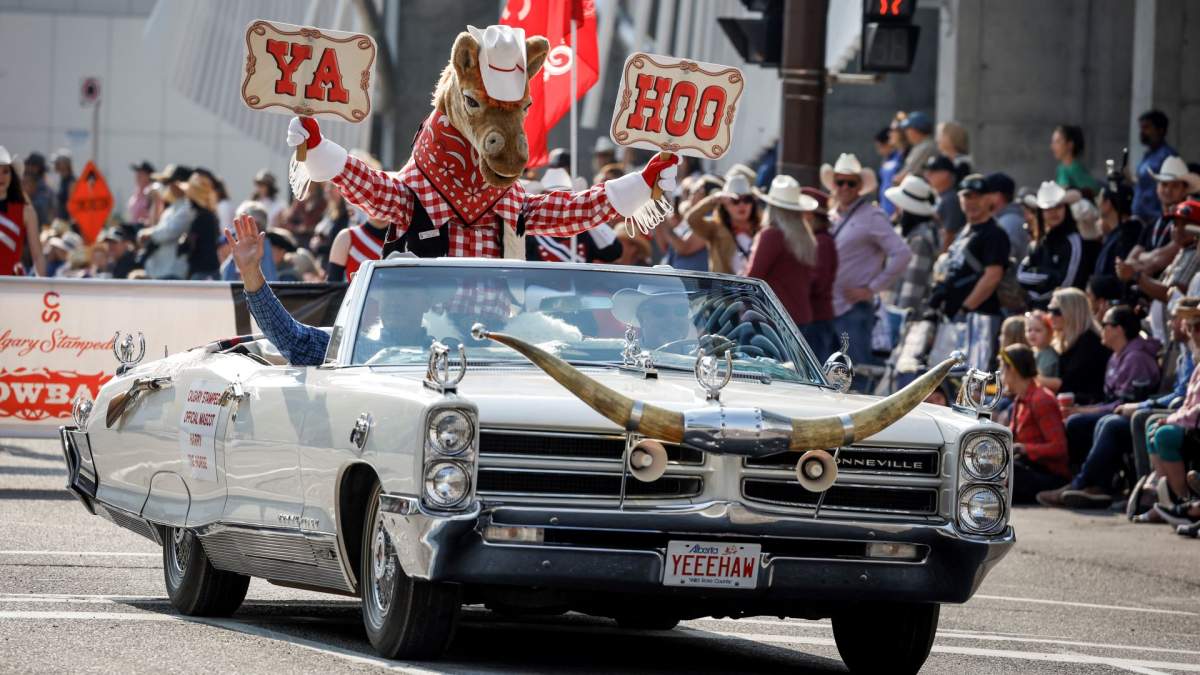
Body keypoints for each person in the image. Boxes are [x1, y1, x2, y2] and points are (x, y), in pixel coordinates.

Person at [823, 153, 912, 378]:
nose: (844, 187)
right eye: (839, 182)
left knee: (855, 376)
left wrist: (871, 289)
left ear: (859, 186)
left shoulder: (872, 216)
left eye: (850, 183)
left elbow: (902, 254)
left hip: (853, 310)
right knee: (826, 376)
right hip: (826, 308)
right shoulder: (831, 215)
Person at [1060, 305, 1161, 472]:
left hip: (1134, 414)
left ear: (1118, 329)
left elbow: (1125, 402)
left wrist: (1084, 411)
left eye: (1105, 323)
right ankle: (1079, 478)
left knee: (1082, 422)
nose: (1101, 327)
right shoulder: (1115, 355)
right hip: (1114, 409)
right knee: (1073, 420)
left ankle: (1088, 482)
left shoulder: (1137, 358)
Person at [928, 174, 1009, 370]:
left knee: (973, 379)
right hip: (955, 320)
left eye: (978, 196)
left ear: (989, 198)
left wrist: (965, 308)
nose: (972, 202)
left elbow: (992, 276)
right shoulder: (964, 231)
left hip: (979, 320)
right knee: (947, 381)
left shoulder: (994, 233)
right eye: (967, 196)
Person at [1117, 198, 1200, 341]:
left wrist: (1137, 276)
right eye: (1175, 224)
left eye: (1186, 225)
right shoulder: (1183, 251)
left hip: (1183, 337)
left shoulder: (1194, 254)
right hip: (1167, 336)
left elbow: (1174, 292)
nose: (1178, 229)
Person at [744, 175, 820, 328]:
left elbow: (752, 277)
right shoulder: (806, 237)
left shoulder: (772, 235)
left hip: (773, 319)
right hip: (800, 316)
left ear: (772, 207)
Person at [1001, 344, 1070, 503]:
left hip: (1050, 476)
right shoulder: (1020, 398)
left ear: (1013, 369)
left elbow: (1059, 448)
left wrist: (1025, 448)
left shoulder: (1041, 399)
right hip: (1029, 467)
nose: (1001, 374)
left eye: (1003, 369)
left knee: (1009, 472)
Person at [1123, 155, 1198, 278]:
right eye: (1164, 184)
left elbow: (1159, 261)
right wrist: (1148, 260)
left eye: (1174, 186)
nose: (1168, 190)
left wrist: (1142, 258)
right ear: (1157, 188)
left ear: (1185, 190)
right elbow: (1129, 261)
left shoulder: (1188, 223)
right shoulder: (1152, 224)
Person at [1016, 181, 1088, 308]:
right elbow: (1021, 275)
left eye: (1059, 207)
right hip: (1037, 310)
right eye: (1048, 209)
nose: (1054, 213)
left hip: (1065, 310)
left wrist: (1040, 277)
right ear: (1041, 213)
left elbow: (1066, 283)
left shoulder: (1073, 240)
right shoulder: (1038, 243)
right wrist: (1048, 277)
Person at [883, 175, 939, 315]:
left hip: (903, 318)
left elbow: (913, 286)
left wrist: (901, 319)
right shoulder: (908, 233)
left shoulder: (920, 240)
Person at [684, 171, 759, 274]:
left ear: (753, 203)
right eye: (735, 200)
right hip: (723, 289)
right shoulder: (715, 228)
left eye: (747, 199)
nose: (742, 205)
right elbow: (692, 219)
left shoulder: (761, 228)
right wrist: (713, 200)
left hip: (754, 289)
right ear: (725, 205)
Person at [1043, 287, 1109, 403]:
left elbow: (1068, 384)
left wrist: (1029, 378)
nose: (1050, 316)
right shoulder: (1068, 339)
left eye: (1056, 311)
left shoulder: (1090, 342)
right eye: (1049, 310)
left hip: (1090, 403)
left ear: (1072, 312)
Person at [799, 187, 838, 360]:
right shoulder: (818, 240)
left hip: (817, 318)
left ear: (810, 215)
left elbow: (817, 283)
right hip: (815, 318)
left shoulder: (821, 242)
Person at [138, 165, 194, 280]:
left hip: (173, 271)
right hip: (161, 270)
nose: (169, 186)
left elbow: (170, 231)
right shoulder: (172, 208)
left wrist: (149, 233)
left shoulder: (188, 207)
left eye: (171, 182)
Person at [0, 147, 47, 277]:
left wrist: (41, 288)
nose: (1, 177)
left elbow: (37, 256)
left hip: (13, 284)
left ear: (12, 175)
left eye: (5, 171)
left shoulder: (26, 211)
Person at [654, 174, 715, 272]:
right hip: (678, 282)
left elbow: (685, 247)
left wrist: (661, 211)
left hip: (694, 284)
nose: (691, 194)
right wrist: (657, 204)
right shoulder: (688, 219)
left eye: (696, 190)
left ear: (705, 195)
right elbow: (665, 245)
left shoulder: (710, 218)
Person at [1093, 169, 1142, 278]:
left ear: (1107, 204)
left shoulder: (1125, 237)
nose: (1097, 202)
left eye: (1099, 198)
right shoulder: (1118, 233)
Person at [1132, 110, 1176, 223]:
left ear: (1160, 130)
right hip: (1139, 217)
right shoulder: (1147, 155)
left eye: (1146, 127)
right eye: (1141, 128)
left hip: (1156, 217)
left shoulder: (1168, 156)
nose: (1142, 132)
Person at [221, 202, 278, 282]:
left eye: (244, 223)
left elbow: (270, 281)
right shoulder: (240, 246)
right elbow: (227, 278)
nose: (238, 229)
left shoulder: (264, 246)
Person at [179, 173, 221, 280]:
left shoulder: (201, 218)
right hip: (211, 270)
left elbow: (190, 244)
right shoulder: (211, 216)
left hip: (202, 272)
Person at [985, 172, 1029, 263]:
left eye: (985, 194)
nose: (982, 199)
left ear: (997, 196)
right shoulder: (1003, 219)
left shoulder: (1009, 222)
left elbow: (998, 261)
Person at [924, 155, 965, 249]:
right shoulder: (942, 196)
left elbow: (950, 235)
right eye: (928, 170)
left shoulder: (951, 199)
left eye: (933, 171)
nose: (928, 174)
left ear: (946, 173)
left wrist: (941, 259)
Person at [1050, 125, 1099, 195]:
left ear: (1070, 145)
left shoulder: (1075, 169)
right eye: (1053, 142)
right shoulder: (1061, 168)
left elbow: (1093, 190)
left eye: (1057, 142)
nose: (1052, 146)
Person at [896, 111, 935, 182]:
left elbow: (906, 175)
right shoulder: (919, 145)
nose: (906, 132)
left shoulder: (926, 147)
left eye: (908, 129)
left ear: (916, 129)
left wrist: (895, 180)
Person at [1024, 310, 1059, 387]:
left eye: (1037, 330)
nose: (1032, 333)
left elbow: (1042, 382)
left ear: (1050, 333)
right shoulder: (1032, 351)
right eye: (1029, 330)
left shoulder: (1049, 356)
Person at [875, 127, 903, 215]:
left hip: (896, 208)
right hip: (884, 208)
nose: (879, 151)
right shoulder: (885, 160)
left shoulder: (900, 157)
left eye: (881, 146)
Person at [126, 161, 155, 226]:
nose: (138, 175)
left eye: (141, 173)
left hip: (145, 229)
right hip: (133, 228)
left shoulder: (153, 192)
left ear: (149, 176)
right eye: (137, 172)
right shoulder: (136, 193)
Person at [50, 148, 74, 221]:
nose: (55, 165)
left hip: (67, 225)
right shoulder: (62, 180)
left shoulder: (71, 182)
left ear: (65, 164)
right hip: (61, 222)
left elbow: (72, 205)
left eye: (58, 163)